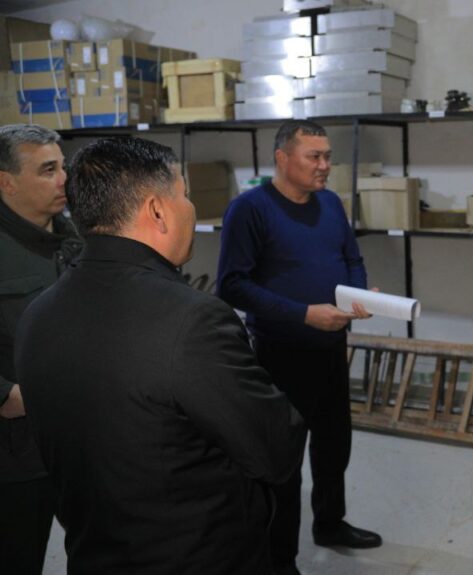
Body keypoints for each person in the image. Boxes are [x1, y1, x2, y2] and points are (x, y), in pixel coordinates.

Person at [13, 136, 305, 574]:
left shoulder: (39, 313)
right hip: (199, 557)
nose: (190, 208)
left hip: (95, 553)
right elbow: (273, 449)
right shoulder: (193, 320)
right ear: (157, 210)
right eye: (184, 195)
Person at [217, 119, 379, 575]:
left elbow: (352, 258)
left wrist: (357, 297)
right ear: (283, 158)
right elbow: (231, 285)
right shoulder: (250, 210)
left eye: (328, 156)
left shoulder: (330, 203)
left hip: (331, 347)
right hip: (279, 353)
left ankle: (330, 523)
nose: (325, 165)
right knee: (282, 461)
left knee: (333, 445)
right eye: (314, 156)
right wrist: (304, 314)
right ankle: (280, 557)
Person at [0, 124, 82, 574]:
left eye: (62, 168)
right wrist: (6, 396)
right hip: (15, 458)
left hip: (83, 443)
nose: (64, 180)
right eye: (48, 170)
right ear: (6, 182)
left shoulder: (77, 240)